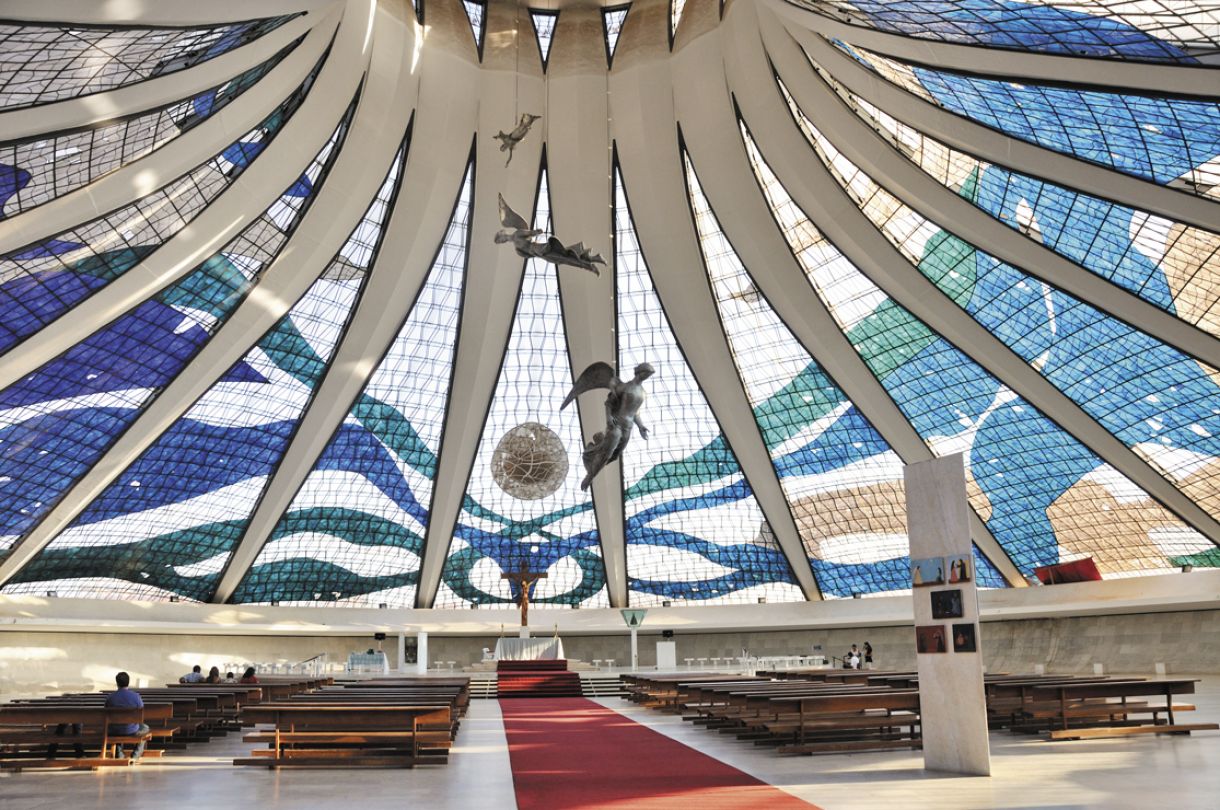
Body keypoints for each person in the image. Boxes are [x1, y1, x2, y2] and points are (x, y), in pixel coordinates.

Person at [106, 671, 148, 760]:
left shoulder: (110, 697)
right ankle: (135, 755)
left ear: (117, 683)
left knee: (115, 727)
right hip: (131, 729)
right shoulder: (136, 696)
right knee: (145, 728)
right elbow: (141, 713)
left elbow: (107, 713)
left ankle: (119, 754)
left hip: (114, 730)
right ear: (128, 682)